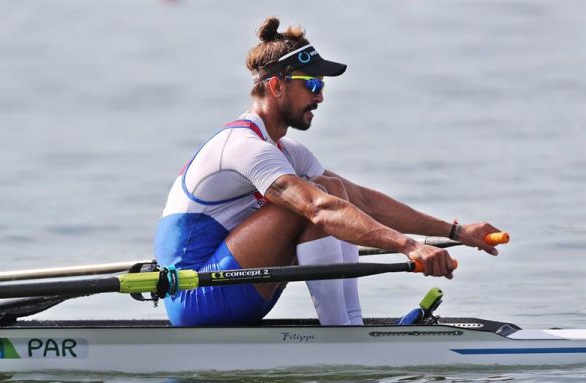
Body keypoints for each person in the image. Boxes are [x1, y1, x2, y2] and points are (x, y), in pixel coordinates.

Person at [154, 16, 502, 327]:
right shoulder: (244, 147)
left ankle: (348, 325)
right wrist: (409, 247)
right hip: (196, 294)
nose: (320, 97)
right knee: (318, 201)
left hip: (237, 287)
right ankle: (343, 332)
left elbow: (364, 200)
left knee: (332, 187)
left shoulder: (285, 152)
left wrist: (456, 231)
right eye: (313, 85)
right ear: (276, 87)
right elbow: (319, 209)